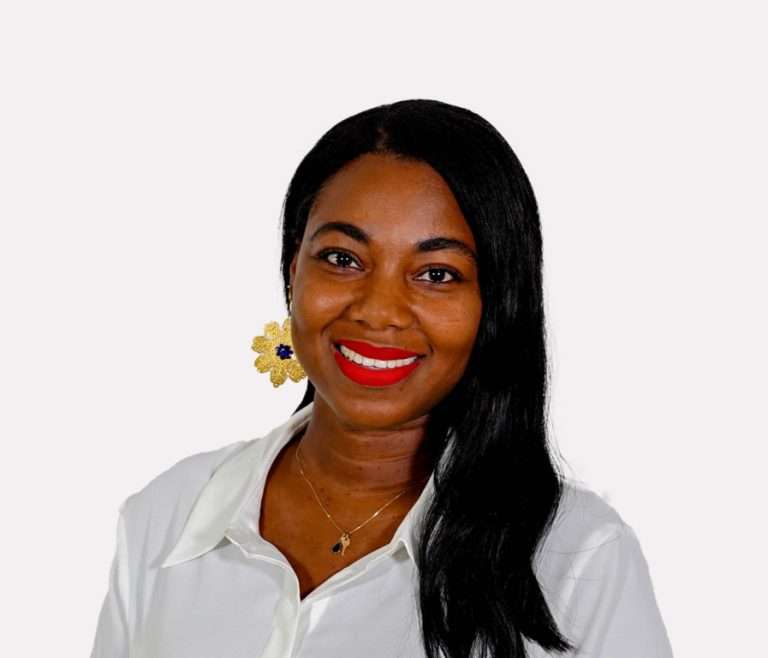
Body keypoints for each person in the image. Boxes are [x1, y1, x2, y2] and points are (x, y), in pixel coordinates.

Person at [90, 99, 674, 658]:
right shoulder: (166, 515)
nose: (378, 311)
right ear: (293, 270)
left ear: (496, 305)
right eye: (342, 259)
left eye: (437, 273)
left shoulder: (579, 560)